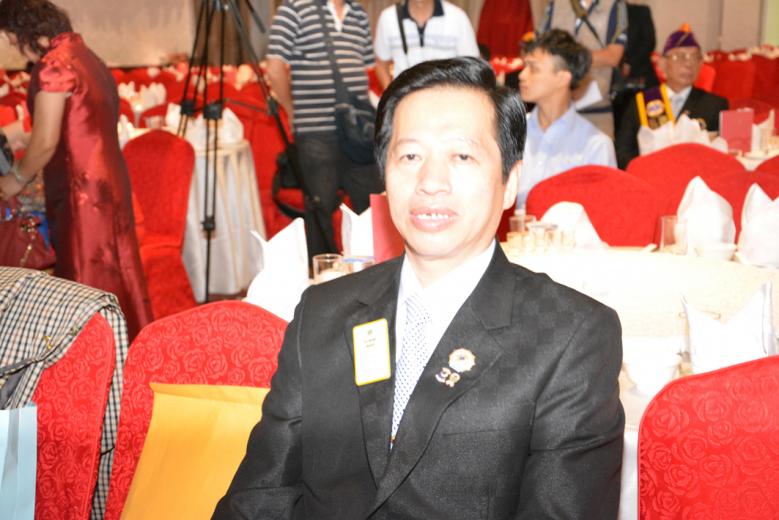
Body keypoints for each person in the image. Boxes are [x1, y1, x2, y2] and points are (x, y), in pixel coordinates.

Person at [213, 57, 624, 519]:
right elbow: (259, 495)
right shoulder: (322, 311)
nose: (430, 183)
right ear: (385, 175)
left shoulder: (571, 337)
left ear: (510, 182)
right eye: (410, 156)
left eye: (462, 156)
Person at [0, 0, 152, 339]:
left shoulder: (53, 66)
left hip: (79, 188)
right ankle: (125, 346)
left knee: (86, 274)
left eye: (12, 38)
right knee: (117, 270)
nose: (16, 48)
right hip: (108, 180)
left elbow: (44, 142)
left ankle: (94, 353)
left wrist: (15, 180)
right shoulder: (85, 55)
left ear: (23, 31)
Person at [265, 0, 384, 259]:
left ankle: (375, 269)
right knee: (320, 209)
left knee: (374, 208)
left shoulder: (357, 14)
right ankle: (326, 276)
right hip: (316, 131)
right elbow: (274, 68)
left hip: (358, 132)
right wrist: (292, 110)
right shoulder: (295, 8)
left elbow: (365, 68)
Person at [517, 29, 616, 206]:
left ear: (562, 78)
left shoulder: (595, 146)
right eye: (525, 66)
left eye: (534, 69)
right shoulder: (512, 130)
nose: (522, 75)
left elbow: (603, 211)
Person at [615, 24, 729, 168]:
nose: (689, 63)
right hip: (648, 176)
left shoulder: (715, 105)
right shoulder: (641, 102)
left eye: (695, 57)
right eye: (680, 56)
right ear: (662, 64)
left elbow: (723, 158)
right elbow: (622, 153)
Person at [540, 0, 628, 138]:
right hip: (554, 112)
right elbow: (539, 50)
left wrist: (567, 58)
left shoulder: (614, 4)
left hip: (597, 112)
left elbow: (613, 56)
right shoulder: (555, 4)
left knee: (601, 150)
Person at [373, 0, 479, 89]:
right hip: (405, 99)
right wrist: (392, 95)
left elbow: (472, 65)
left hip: (447, 98)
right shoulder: (388, 18)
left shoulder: (457, 17)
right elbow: (381, 64)